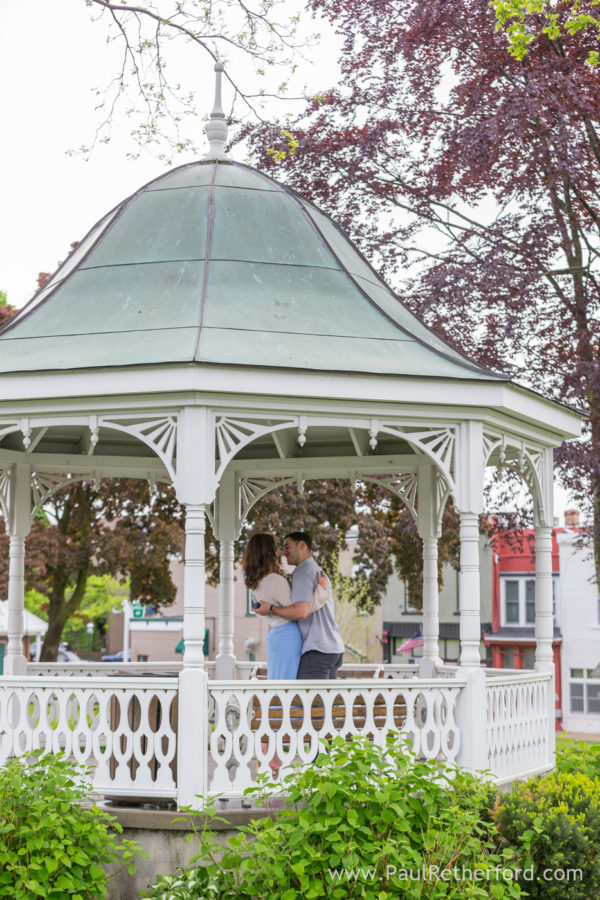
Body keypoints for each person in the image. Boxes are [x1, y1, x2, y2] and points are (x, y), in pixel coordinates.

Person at [255, 531, 344, 679]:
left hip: (317, 649)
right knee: (323, 702)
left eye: (287, 547)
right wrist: (321, 593)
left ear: (301, 545)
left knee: (310, 701)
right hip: (333, 648)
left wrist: (271, 609)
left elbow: (300, 612)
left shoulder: (304, 573)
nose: (283, 553)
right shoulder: (315, 570)